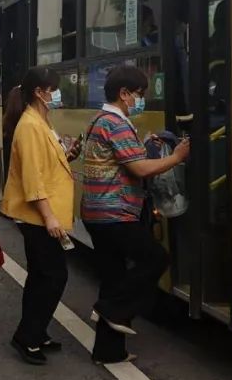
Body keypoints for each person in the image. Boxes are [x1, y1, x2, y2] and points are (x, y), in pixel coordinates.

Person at [81, 66, 190, 364]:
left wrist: (144, 146)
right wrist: (176, 157)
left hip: (95, 212)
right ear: (124, 93)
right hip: (115, 213)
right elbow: (140, 169)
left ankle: (108, 351)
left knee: (113, 277)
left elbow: (125, 159)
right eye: (139, 95)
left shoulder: (99, 120)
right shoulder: (116, 123)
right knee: (155, 259)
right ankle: (109, 309)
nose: (140, 101)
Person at [0, 67, 81, 365]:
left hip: (44, 214)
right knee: (53, 277)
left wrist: (68, 155)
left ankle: (37, 332)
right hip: (38, 217)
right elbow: (33, 179)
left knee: (41, 276)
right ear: (39, 92)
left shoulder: (41, 121)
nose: (57, 94)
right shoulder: (30, 126)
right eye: (53, 89)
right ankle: (27, 337)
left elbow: (46, 165)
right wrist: (50, 218)